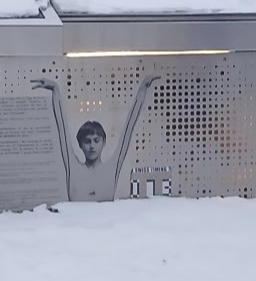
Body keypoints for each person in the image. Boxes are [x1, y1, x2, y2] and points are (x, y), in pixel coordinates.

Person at [32, 74, 161, 202]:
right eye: (87, 142)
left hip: (107, 223)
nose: (92, 146)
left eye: (96, 140)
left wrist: (142, 90)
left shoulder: (111, 168)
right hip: (76, 222)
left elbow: (129, 128)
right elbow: (61, 128)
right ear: (80, 145)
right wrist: (55, 90)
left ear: (103, 142)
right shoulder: (73, 168)